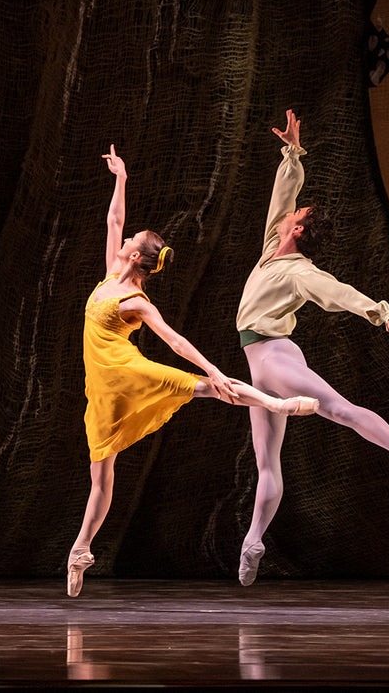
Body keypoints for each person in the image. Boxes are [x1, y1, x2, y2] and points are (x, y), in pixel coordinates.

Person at [66, 145, 319, 598]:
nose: (123, 242)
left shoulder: (137, 301)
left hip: (128, 372)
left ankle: (276, 402)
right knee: (101, 475)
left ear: (135, 257)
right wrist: (120, 178)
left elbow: (174, 340)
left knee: (205, 386)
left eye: (131, 242)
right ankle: (80, 550)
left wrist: (214, 367)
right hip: (101, 388)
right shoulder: (110, 276)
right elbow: (114, 222)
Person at [235, 110, 389, 586]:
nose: (291, 211)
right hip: (259, 365)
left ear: (299, 230)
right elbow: (282, 194)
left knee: (338, 409)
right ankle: (253, 541)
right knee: (266, 461)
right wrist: (291, 151)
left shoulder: (300, 271)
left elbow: (340, 292)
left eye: (297, 215)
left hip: (276, 356)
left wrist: (383, 312)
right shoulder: (273, 243)